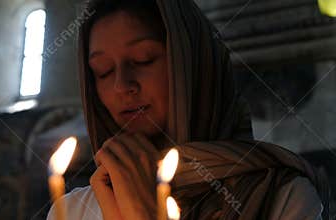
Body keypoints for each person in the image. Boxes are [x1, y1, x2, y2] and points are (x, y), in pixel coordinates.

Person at [47, 0, 329, 219]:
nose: (122, 85)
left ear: (194, 68)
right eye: (104, 71)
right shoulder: (74, 211)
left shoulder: (279, 196)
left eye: (144, 60)